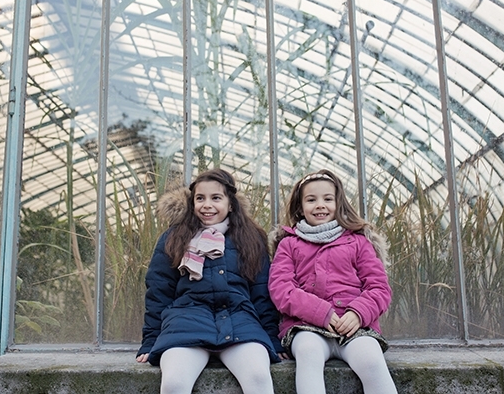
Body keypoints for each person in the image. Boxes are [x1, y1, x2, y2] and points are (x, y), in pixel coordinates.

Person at [136, 168, 285, 394]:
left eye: (216, 198)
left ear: (231, 203)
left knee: (258, 377)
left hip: (240, 322)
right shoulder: (173, 238)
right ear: (192, 203)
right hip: (186, 322)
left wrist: (272, 338)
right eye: (200, 198)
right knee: (174, 383)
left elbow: (261, 291)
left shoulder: (251, 238)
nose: (207, 205)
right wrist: (151, 340)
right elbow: (159, 291)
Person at [268, 169, 397, 394]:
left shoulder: (357, 242)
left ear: (339, 204)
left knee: (371, 360)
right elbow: (281, 289)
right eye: (311, 200)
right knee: (308, 354)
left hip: (354, 326)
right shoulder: (289, 244)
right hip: (306, 326)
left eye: (328, 199)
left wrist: (357, 313)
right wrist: (320, 312)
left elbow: (378, 287)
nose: (320, 205)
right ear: (300, 207)